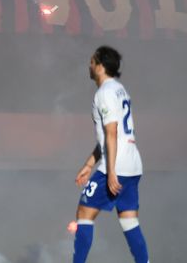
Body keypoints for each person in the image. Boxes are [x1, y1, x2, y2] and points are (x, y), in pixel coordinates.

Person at [72, 46, 148, 263]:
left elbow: (112, 133)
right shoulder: (120, 90)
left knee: (84, 213)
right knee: (129, 221)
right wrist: (89, 165)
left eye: (92, 61)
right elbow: (108, 138)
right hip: (133, 165)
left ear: (100, 65)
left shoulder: (104, 93)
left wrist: (111, 173)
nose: (89, 65)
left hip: (115, 167)